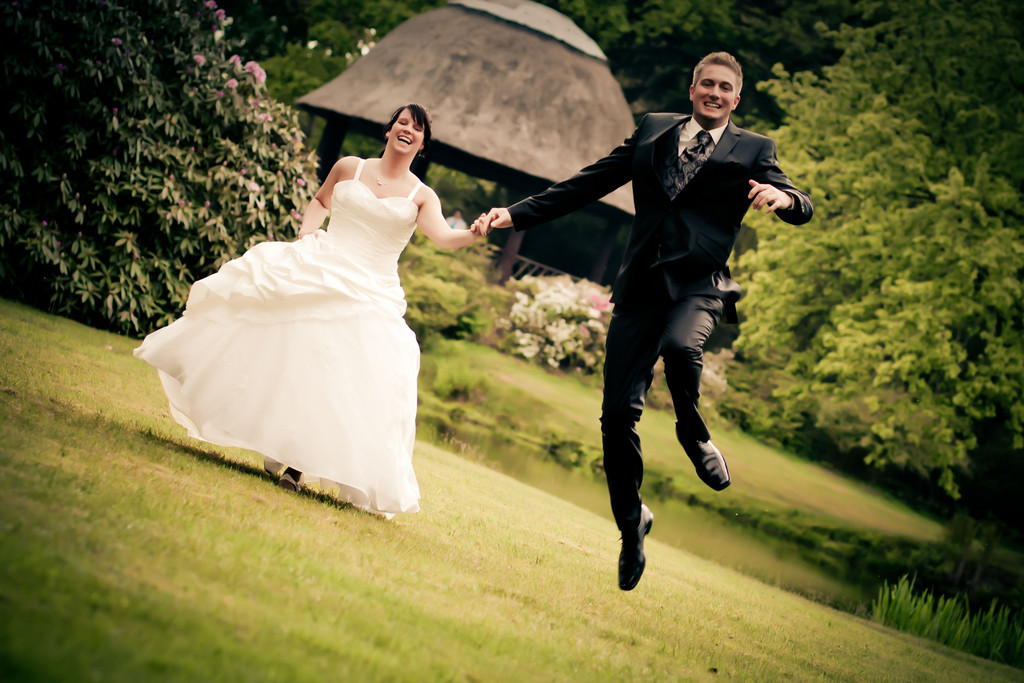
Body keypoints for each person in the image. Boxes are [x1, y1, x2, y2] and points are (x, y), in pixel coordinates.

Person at [473, 52, 813, 590]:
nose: (715, 93)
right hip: (640, 288)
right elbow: (585, 184)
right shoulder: (653, 130)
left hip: (699, 287)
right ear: (693, 86)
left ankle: (694, 434)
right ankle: (632, 528)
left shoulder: (753, 150)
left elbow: (802, 202)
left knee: (682, 349)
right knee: (614, 417)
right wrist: (515, 213)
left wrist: (785, 197)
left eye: (726, 88)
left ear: (736, 98)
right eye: (707, 84)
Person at [135, 104, 481, 518]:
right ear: (389, 130)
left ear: (423, 143)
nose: (408, 130)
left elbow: (444, 237)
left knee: (340, 373)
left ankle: (297, 468)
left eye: (418, 128)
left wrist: (473, 233)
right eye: (403, 122)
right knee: (295, 358)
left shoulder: (421, 196)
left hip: (371, 289)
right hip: (325, 264)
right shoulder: (349, 167)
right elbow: (320, 201)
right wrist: (307, 235)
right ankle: (275, 440)